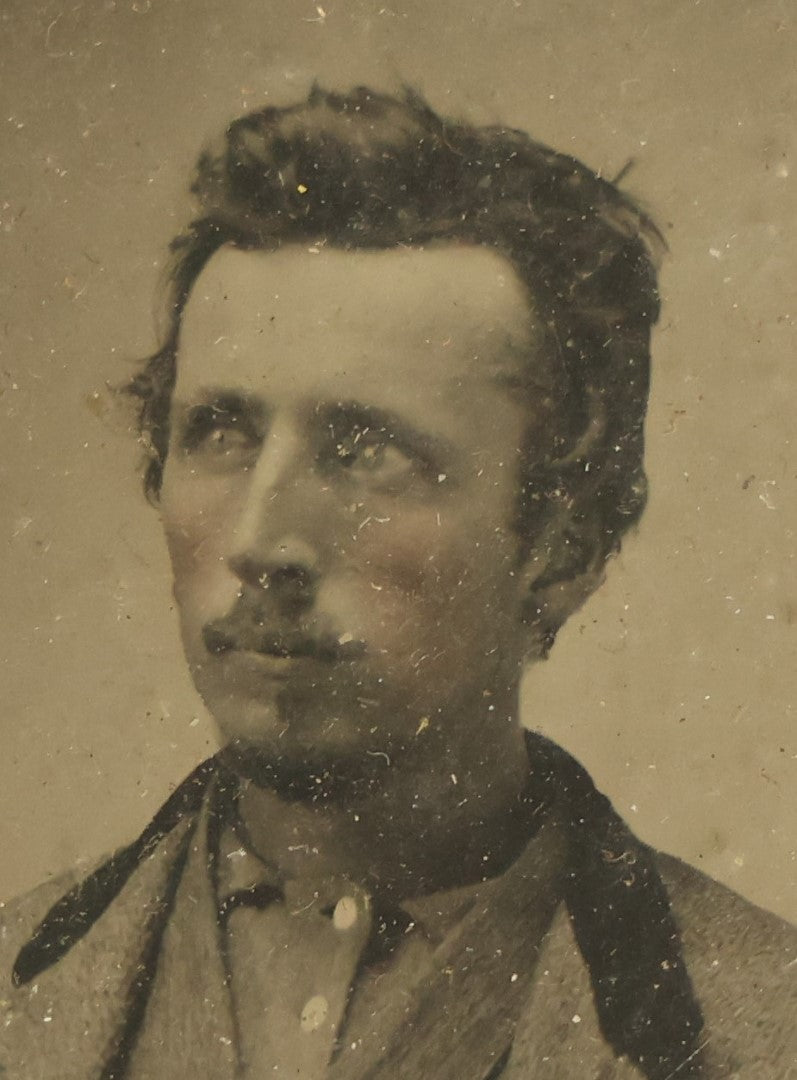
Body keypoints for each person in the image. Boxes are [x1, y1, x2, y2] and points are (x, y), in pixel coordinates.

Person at [1, 86, 794, 1080]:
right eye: (221, 433)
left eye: (366, 452)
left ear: (564, 543)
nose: (259, 539)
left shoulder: (762, 1027)